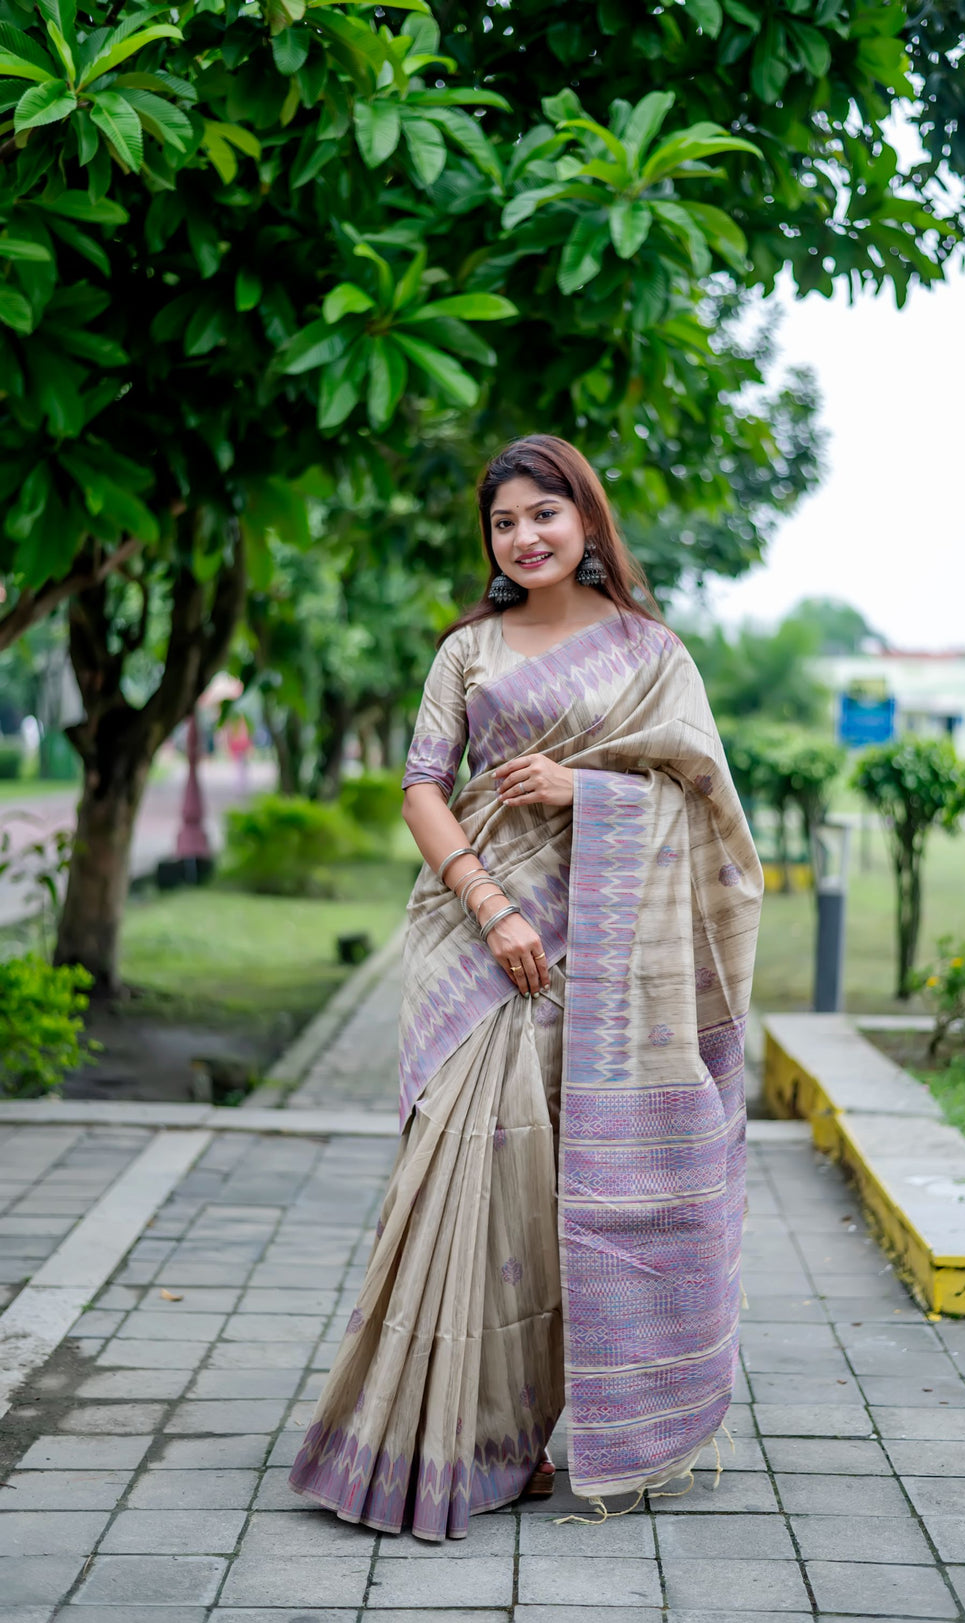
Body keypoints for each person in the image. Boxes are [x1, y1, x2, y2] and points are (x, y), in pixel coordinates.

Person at [288, 434, 763, 1540]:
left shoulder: (654, 655)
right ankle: (453, 1438)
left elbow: (710, 810)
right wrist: (490, 906)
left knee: (574, 1200)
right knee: (466, 1180)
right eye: (504, 521)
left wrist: (586, 786)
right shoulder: (469, 651)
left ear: (588, 522)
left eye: (544, 513)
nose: (524, 536)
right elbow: (422, 787)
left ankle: (555, 1425)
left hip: (608, 963)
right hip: (477, 942)